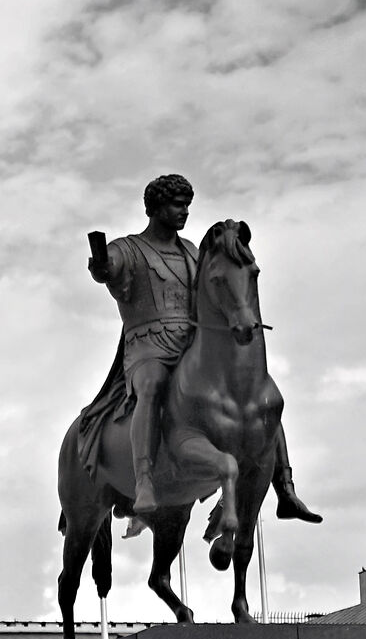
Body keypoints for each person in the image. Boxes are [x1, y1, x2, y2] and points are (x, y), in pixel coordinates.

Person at [89, 173, 317, 535]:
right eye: (178, 205)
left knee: (259, 397)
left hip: (192, 344)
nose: (184, 212)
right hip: (148, 347)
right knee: (152, 385)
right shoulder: (129, 249)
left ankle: (285, 488)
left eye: (187, 206)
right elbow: (109, 267)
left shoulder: (192, 252)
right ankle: (144, 479)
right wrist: (102, 266)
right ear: (156, 208)